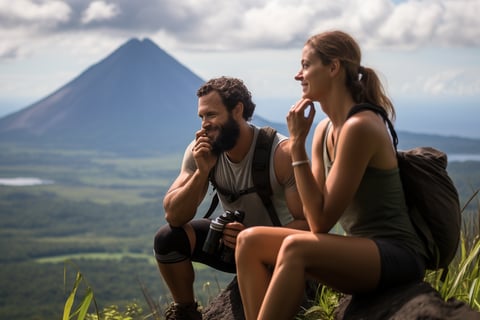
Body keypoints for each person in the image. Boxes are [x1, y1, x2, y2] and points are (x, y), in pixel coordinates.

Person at [235, 30, 429, 320]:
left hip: (397, 254)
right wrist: (300, 145)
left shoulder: (359, 127)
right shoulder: (325, 129)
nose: (298, 75)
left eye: (305, 65)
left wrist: (297, 146)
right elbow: (309, 210)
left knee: (295, 247)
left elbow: (320, 222)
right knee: (248, 241)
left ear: (333, 67)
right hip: (362, 251)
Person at [153, 76, 308, 320]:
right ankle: (186, 311)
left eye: (211, 115)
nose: (204, 124)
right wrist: (203, 172)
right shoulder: (201, 150)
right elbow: (174, 215)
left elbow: (309, 225)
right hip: (235, 246)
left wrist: (252, 238)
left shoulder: (280, 153)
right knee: (168, 238)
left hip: (282, 252)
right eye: (202, 117)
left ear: (237, 110)